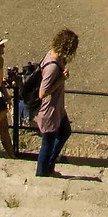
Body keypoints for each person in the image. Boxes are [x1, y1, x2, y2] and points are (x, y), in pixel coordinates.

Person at [33, 29, 78, 177]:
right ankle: (42, 174)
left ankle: (49, 168)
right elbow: (42, 92)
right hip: (49, 111)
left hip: (57, 108)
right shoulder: (52, 67)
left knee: (64, 132)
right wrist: (61, 80)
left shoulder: (52, 55)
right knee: (47, 144)